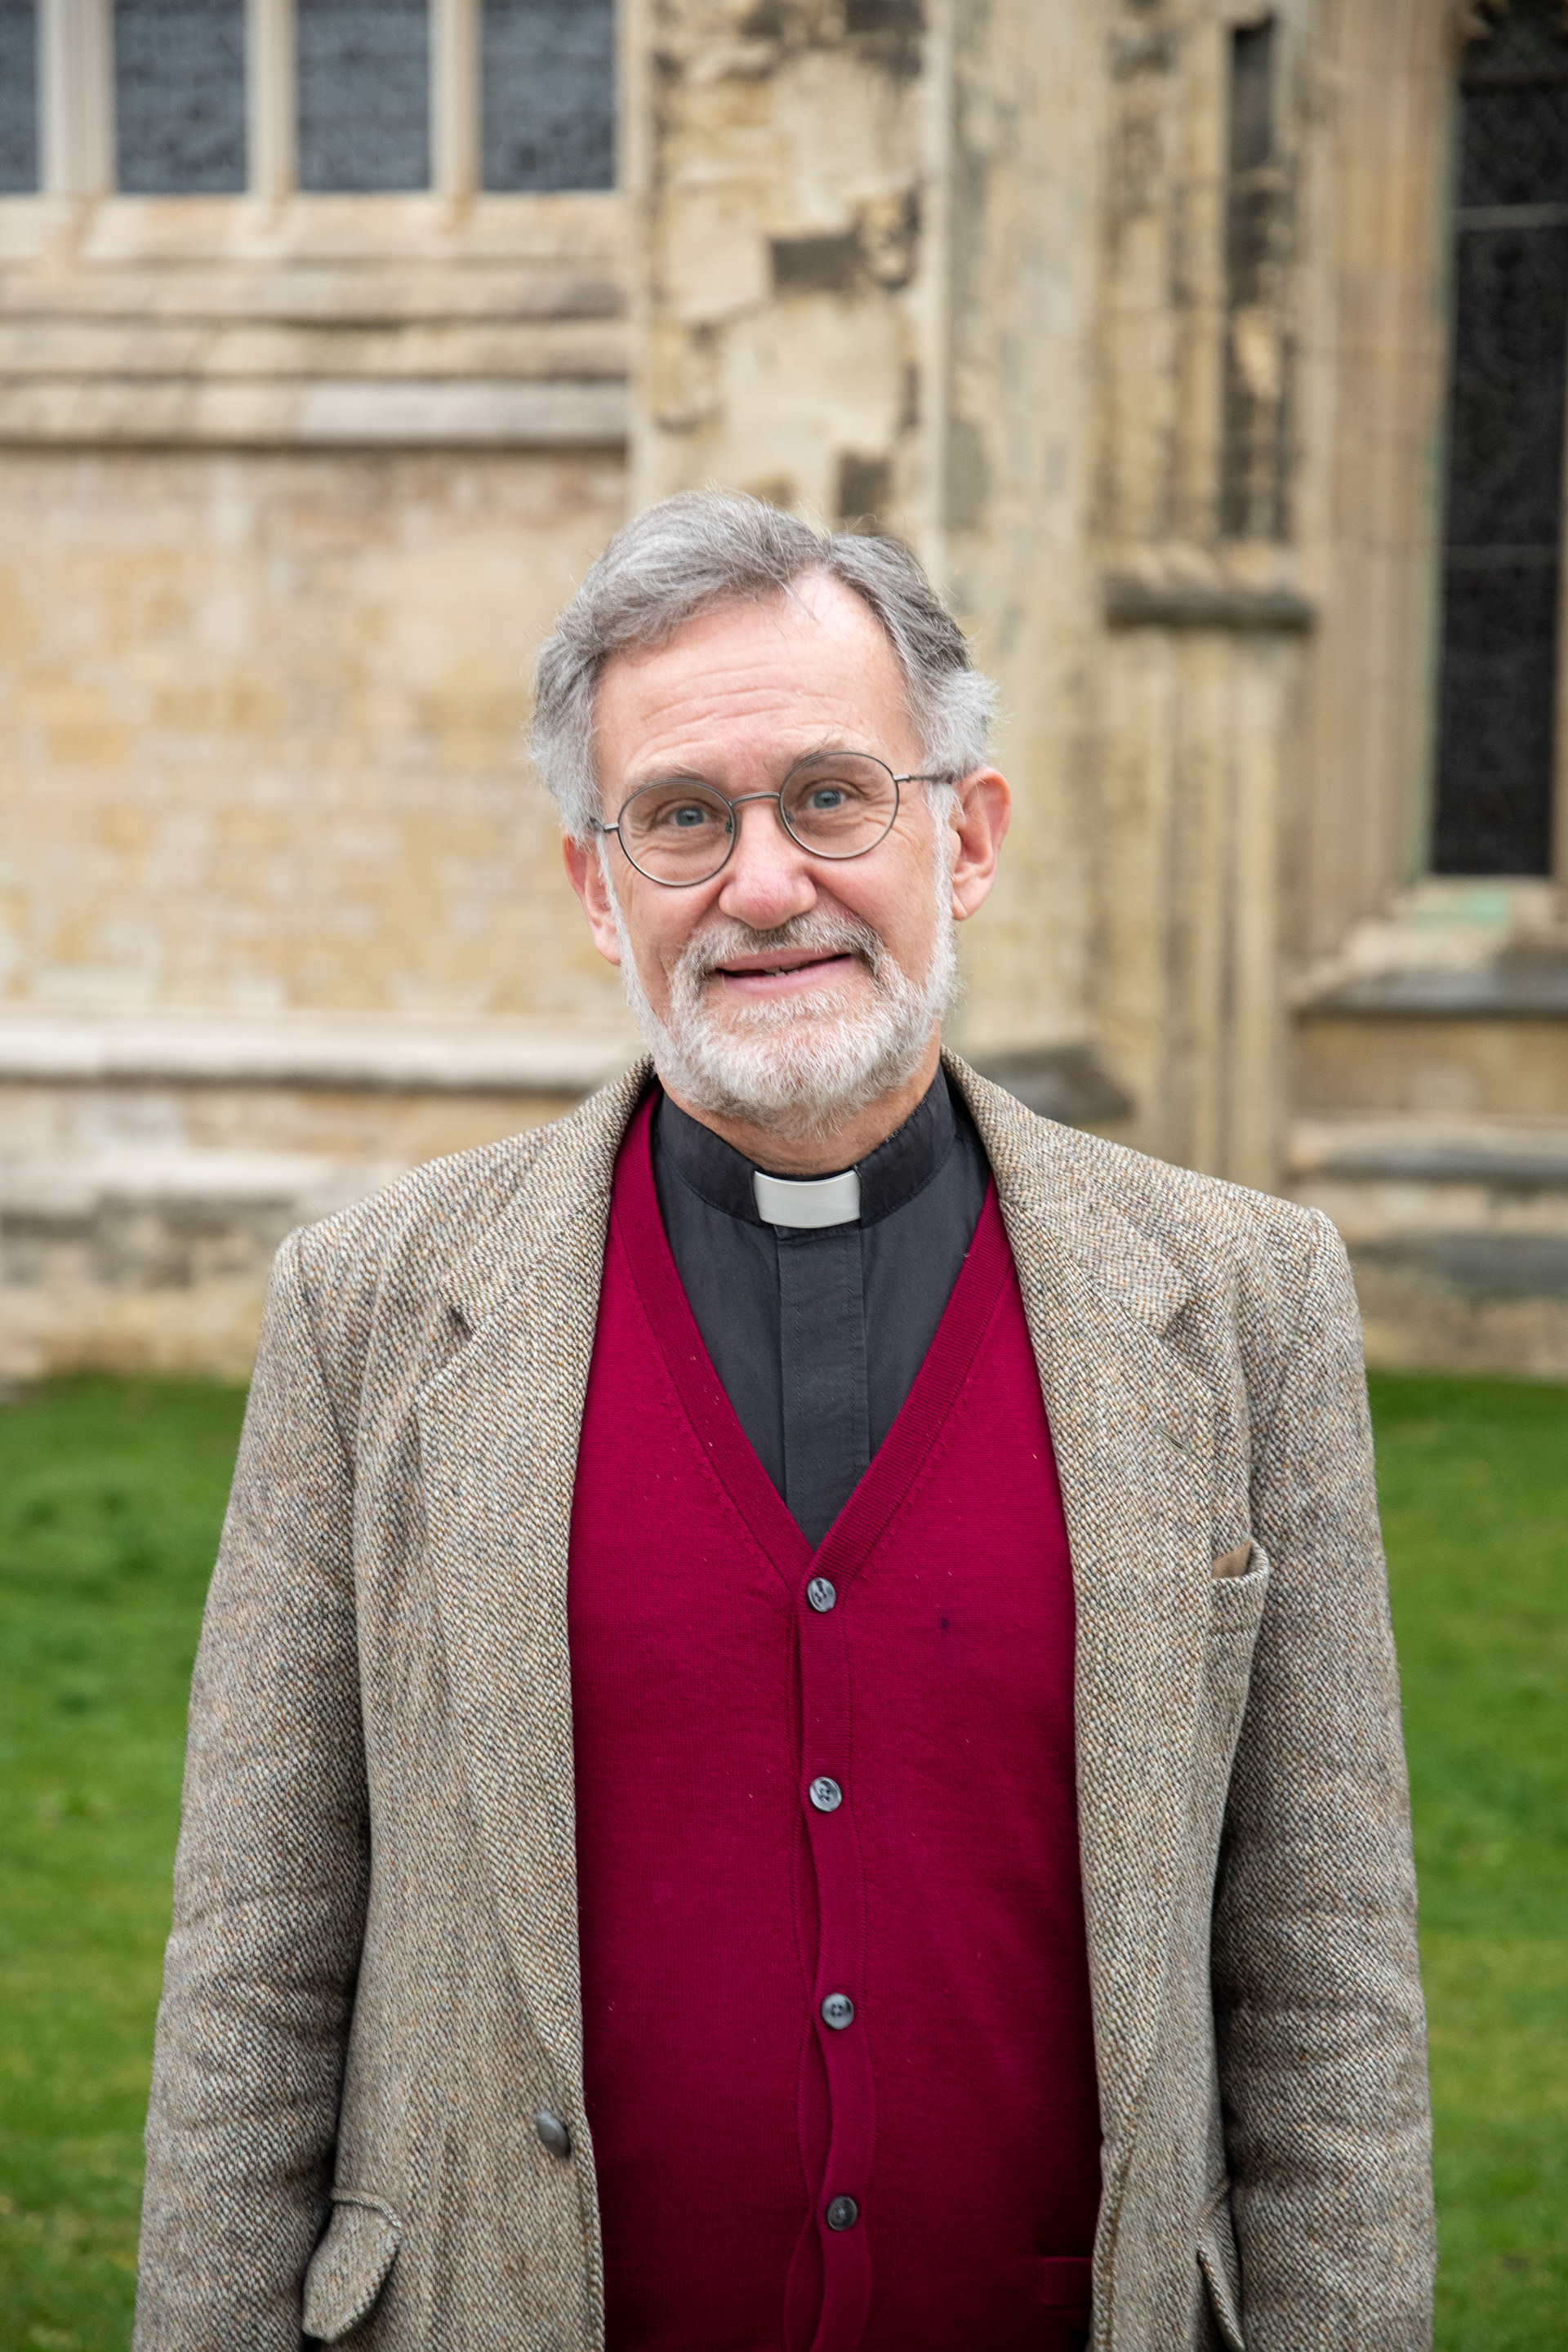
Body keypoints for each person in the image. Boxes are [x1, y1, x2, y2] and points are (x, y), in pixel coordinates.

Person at [135, 492, 1434, 2352]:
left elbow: (1327, 1981)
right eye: (681, 817)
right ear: (600, 889)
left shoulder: (1244, 1300)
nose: (761, 886)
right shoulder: (369, 1310)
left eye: (831, 795)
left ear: (964, 837)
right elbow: (252, 1967)